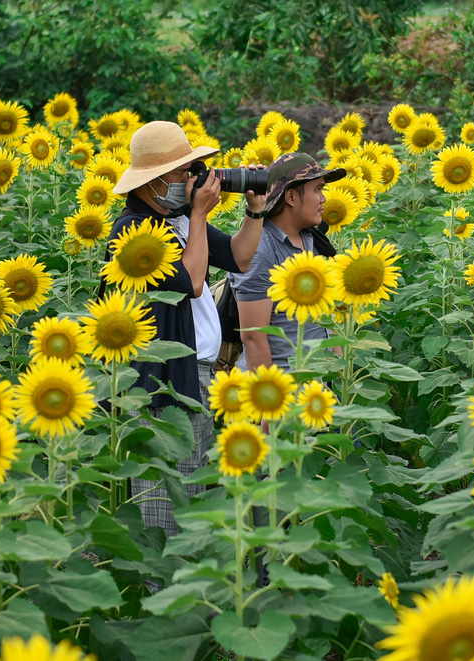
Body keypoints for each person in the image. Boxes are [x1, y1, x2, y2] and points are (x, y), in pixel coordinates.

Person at [104, 120, 267, 540]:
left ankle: (186, 595)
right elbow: (193, 282)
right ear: (153, 181)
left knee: (191, 492)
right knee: (165, 500)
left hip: (197, 378)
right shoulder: (133, 231)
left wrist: (254, 210)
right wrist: (198, 212)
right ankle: (161, 596)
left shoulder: (176, 220)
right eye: (183, 173)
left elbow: (239, 256)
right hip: (163, 384)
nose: (193, 180)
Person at [228, 152, 344, 373]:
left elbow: (330, 322)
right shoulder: (260, 249)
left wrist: (339, 380)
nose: (324, 199)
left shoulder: (313, 240)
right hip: (284, 387)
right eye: (318, 190)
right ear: (291, 197)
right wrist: (274, 401)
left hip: (317, 388)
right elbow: (254, 337)